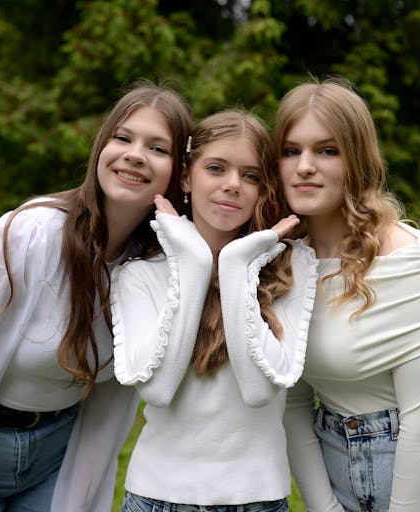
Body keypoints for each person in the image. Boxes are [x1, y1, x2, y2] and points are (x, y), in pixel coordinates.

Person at [0, 82, 192, 512]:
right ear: (101, 149)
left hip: (53, 458)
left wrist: (77, 499)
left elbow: (112, 408)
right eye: (123, 138)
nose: (135, 154)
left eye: (158, 148)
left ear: (179, 173)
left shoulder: (157, 271)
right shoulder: (27, 234)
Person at [276, 79, 420, 512]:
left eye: (327, 151)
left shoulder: (407, 259)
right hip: (339, 472)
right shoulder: (282, 260)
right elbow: (291, 403)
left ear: (357, 159)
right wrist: (324, 507)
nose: (304, 166)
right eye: (291, 150)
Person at [110, 110, 318, 512]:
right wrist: (194, 263)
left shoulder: (293, 265)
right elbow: (157, 388)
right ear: (187, 177)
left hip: (257, 499)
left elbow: (260, 390)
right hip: (157, 499)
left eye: (251, 175)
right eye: (216, 168)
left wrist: (236, 266)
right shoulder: (138, 276)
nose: (232, 185)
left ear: (264, 188)